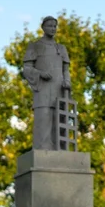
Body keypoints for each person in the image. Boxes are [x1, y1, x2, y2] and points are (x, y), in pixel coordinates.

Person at [23, 16, 71, 150]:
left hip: (59, 89)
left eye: (55, 26)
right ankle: (43, 150)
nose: (53, 28)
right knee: (43, 119)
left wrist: (67, 81)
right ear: (43, 27)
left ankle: (60, 150)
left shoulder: (61, 48)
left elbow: (66, 69)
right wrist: (40, 74)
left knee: (60, 120)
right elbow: (27, 68)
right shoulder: (35, 46)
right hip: (42, 89)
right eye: (50, 26)